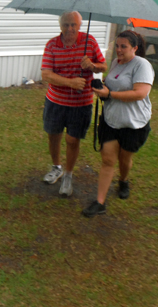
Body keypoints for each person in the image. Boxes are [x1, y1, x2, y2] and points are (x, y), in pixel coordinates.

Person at [82, 30, 154, 217]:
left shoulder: (142, 65)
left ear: (135, 48)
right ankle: (100, 202)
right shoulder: (115, 62)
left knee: (125, 159)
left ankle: (123, 180)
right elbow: (113, 84)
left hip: (134, 123)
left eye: (124, 47)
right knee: (108, 160)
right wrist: (102, 86)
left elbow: (140, 93)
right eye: (118, 46)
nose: (119, 50)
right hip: (111, 120)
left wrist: (110, 94)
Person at [41, 11, 108, 196]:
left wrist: (93, 66)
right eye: (66, 25)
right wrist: (70, 82)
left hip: (81, 103)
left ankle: (68, 175)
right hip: (55, 101)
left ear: (80, 25)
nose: (70, 28)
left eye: (74, 25)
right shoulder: (52, 45)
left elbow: (103, 65)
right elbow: (46, 74)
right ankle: (56, 167)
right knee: (53, 135)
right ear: (60, 26)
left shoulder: (90, 41)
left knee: (72, 140)